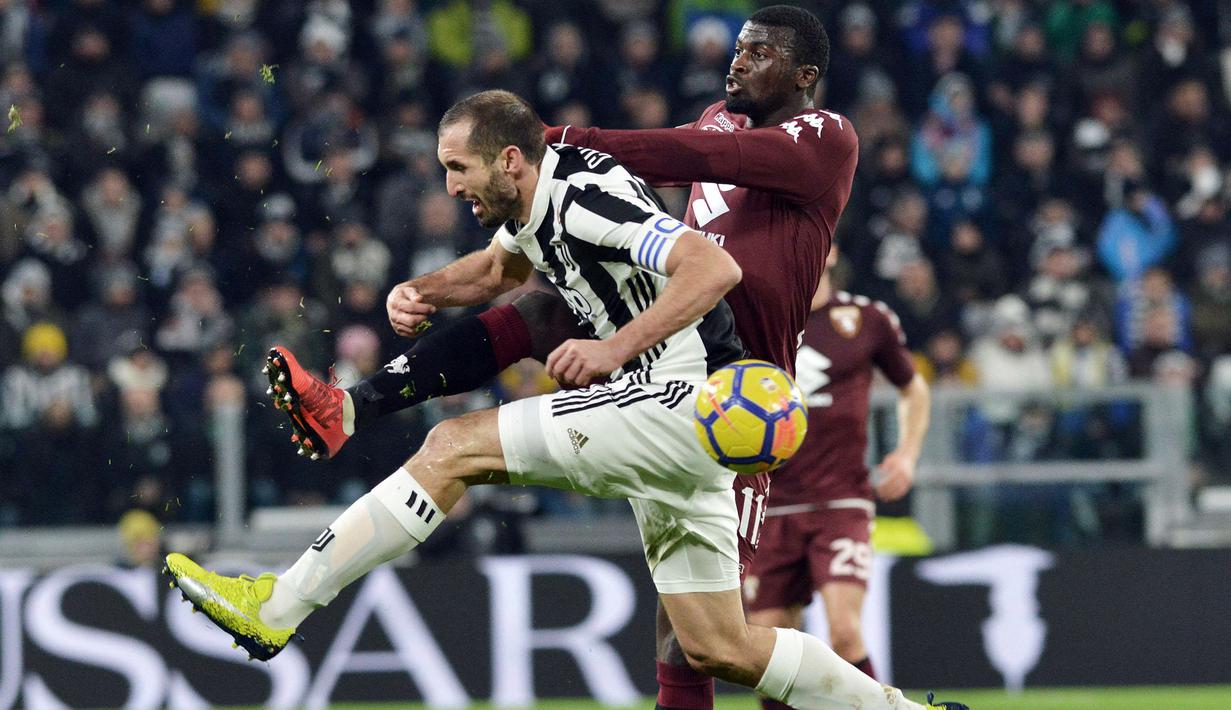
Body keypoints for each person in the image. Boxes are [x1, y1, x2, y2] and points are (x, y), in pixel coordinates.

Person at [166, 90, 963, 710]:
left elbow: (708, 269)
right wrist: (420, 289)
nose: (450, 187)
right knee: (721, 644)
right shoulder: (538, 203)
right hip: (692, 428)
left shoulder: (584, 197)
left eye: (459, 169)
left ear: (510, 159)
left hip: (677, 398)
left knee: (453, 448)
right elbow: (496, 271)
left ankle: (278, 605)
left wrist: (614, 347)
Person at [745, 249, 931, 709]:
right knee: (770, 652)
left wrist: (907, 455)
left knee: (845, 634)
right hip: (771, 505)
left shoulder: (867, 318)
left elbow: (913, 386)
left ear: (832, 253)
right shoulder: (757, 321)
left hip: (840, 501)